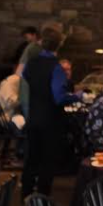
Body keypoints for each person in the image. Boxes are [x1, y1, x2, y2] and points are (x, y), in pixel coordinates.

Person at [20, 24, 75, 196]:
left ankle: (25, 196)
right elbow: (59, 97)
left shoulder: (32, 64)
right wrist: (77, 96)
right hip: (51, 120)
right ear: (59, 45)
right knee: (47, 161)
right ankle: (42, 199)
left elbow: (25, 76)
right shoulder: (56, 67)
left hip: (33, 116)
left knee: (31, 160)